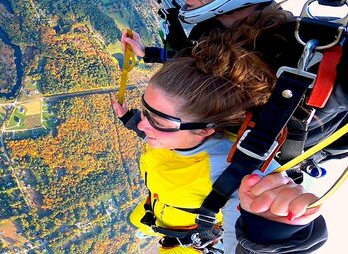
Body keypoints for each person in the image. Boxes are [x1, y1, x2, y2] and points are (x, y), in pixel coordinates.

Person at [112, 31, 326, 253]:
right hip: (155, 211)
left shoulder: (235, 176)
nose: (142, 125)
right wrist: (130, 119)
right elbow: (158, 134)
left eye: (157, 121)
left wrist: (270, 232)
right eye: (145, 112)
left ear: (205, 130)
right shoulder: (175, 135)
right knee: (135, 221)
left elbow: (240, 246)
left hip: (185, 241)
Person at [121, 0, 348, 175]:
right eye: (154, 119)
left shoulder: (287, 121)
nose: (143, 123)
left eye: (155, 120)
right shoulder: (214, 37)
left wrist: (135, 124)